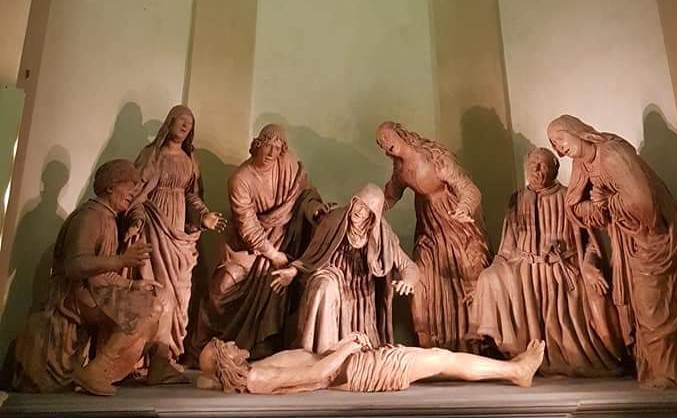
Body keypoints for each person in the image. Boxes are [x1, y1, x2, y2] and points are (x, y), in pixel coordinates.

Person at [13, 160, 180, 396]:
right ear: (110, 186)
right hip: (74, 295)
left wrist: (132, 284)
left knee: (163, 295)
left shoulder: (108, 218)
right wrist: (121, 261)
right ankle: (97, 369)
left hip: (95, 290)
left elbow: (102, 271)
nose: (133, 193)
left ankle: (159, 365)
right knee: (149, 307)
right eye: (129, 186)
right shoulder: (89, 217)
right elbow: (75, 266)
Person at [469, 148, 626, 376]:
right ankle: (511, 353)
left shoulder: (569, 197)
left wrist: (589, 265)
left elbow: (590, 242)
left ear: (555, 169)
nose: (536, 169)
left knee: (593, 293)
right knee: (489, 278)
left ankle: (588, 354)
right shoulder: (517, 199)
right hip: (523, 267)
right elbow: (507, 247)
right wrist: (493, 268)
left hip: (563, 268)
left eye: (542, 165)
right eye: (532, 164)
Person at [548, 114, 677, 388]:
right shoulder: (582, 164)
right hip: (627, 241)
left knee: (653, 305)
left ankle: (668, 372)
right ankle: (656, 370)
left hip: (653, 238)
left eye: (560, 139)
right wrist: (598, 207)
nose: (560, 148)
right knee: (640, 308)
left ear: (576, 131)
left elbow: (645, 205)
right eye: (554, 145)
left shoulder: (612, 154)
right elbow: (576, 209)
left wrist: (608, 201)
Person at [190, 124, 331, 360]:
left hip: (283, 238)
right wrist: (273, 255)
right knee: (222, 287)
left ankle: (263, 342)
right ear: (257, 144)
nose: (272, 152)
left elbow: (306, 195)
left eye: (277, 147)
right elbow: (248, 226)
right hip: (246, 247)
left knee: (274, 281)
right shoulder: (240, 179)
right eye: (268, 145)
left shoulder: (288, 165)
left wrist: (315, 209)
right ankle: (203, 346)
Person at [375, 121, 490, 351]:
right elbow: (388, 197)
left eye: (387, 137)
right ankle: (432, 344)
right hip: (429, 231)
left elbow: (469, 189)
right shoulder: (400, 170)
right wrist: (366, 208)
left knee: (466, 276)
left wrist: (465, 207)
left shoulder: (435, 157)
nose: (385, 144)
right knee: (423, 280)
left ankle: (475, 345)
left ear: (400, 133)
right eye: (381, 143)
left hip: (455, 224)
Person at [127, 105, 226, 362]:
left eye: (189, 124)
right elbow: (136, 192)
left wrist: (204, 216)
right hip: (154, 225)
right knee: (156, 289)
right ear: (169, 122)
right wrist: (136, 220)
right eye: (181, 120)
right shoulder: (151, 155)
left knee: (181, 291)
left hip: (180, 232)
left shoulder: (190, 159)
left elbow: (192, 195)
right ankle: (143, 354)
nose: (184, 126)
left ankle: (168, 352)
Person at [270, 183, 418, 353]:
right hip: (332, 280)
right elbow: (311, 257)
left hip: (361, 299)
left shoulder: (382, 235)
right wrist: (293, 271)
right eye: (359, 204)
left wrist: (407, 281)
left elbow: (409, 266)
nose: (360, 211)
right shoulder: (334, 221)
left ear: (373, 216)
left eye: (367, 209)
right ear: (353, 201)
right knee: (324, 285)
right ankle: (319, 354)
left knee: (361, 356)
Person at [196, 332, 545, 394]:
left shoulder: (257, 368)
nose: (231, 344)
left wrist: (340, 345)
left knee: (439, 359)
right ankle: (516, 371)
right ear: (225, 362)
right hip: (362, 371)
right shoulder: (257, 376)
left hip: (356, 363)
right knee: (439, 358)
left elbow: (313, 361)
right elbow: (319, 373)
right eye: (223, 347)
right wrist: (348, 348)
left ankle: (512, 369)